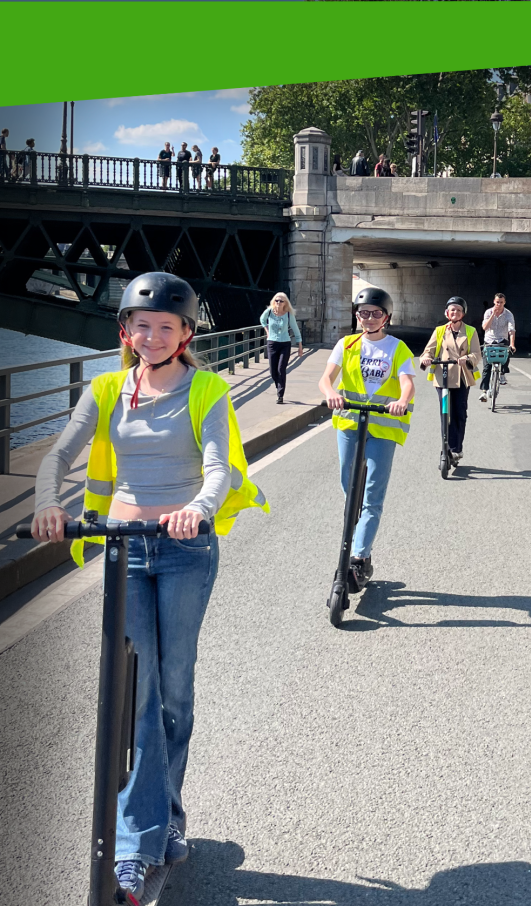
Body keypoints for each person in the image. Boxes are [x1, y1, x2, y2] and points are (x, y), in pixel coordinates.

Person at [30, 271, 269, 901]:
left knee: (173, 694)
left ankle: (168, 818)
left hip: (185, 550)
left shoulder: (207, 388)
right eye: (144, 326)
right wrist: (49, 502)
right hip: (124, 551)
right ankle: (139, 842)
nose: (154, 336)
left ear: (187, 334)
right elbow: (59, 454)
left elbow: (218, 467)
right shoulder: (107, 389)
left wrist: (198, 508)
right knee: (137, 694)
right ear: (126, 332)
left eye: (167, 327)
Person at [318, 287, 415, 590]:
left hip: (383, 427)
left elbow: (407, 383)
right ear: (357, 316)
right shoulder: (346, 344)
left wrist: (401, 401)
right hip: (350, 423)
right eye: (363, 313)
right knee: (349, 487)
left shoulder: (398, 348)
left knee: (373, 493)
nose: (369, 318)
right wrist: (331, 393)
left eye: (375, 313)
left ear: (386, 317)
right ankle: (356, 538)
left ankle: (360, 557)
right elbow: (326, 378)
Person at [419, 296, 481, 464]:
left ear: (463, 313)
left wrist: (467, 358)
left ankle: (456, 448)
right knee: (445, 414)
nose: (455, 312)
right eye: (452, 310)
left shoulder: (470, 331)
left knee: (459, 413)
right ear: (447, 312)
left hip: (461, 377)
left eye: (459, 310)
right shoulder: (439, 331)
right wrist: (426, 358)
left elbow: (477, 353)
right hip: (443, 377)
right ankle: (445, 448)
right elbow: (428, 350)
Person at [260, 292, 304, 404]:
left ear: (285, 303)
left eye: (281, 301)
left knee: (281, 369)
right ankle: (279, 385)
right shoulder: (269, 312)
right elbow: (262, 320)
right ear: (273, 301)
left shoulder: (288, 315)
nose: (278, 302)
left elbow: (295, 329)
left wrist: (300, 346)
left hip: (285, 344)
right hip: (272, 343)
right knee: (273, 371)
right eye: (276, 300)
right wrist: (267, 331)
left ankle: (280, 395)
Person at [478, 293, 516, 402]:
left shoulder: (508, 314)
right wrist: (492, 315)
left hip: (502, 339)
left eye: (501, 302)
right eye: (497, 302)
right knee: (487, 367)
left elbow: (511, 330)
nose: (499, 304)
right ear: (494, 301)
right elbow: (485, 327)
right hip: (489, 340)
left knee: (507, 352)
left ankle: (503, 373)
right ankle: (484, 392)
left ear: (504, 303)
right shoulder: (488, 312)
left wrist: (512, 344)